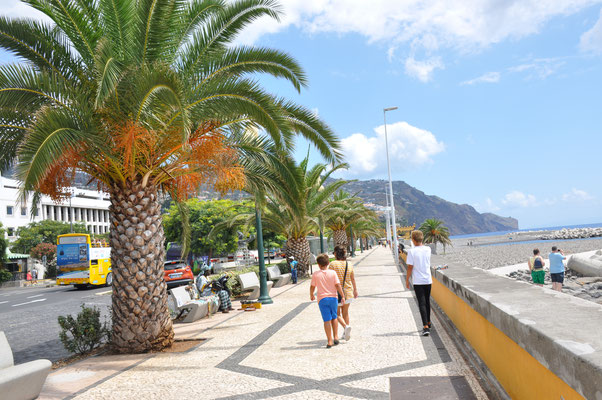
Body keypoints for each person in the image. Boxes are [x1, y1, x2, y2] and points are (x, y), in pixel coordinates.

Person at [310, 253, 345, 348]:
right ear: (328, 263)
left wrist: (311, 295)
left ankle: (329, 340)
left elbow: (312, 286)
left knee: (326, 320)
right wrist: (342, 296)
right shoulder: (333, 273)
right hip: (333, 298)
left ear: (318, 264)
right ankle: (336, 336)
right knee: (334, 317)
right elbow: (338, 285)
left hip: (322, 299)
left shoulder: (316, 274)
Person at [405, 230, 433, 336]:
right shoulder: (428, 249)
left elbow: (410, 267)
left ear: (413, 239)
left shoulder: (412, 252)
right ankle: (429, 322)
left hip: (418, 281)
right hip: (428, 279)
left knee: (421, 303)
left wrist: (407, 280)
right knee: (427, 301)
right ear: (422, 238)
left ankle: (425, 326)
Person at [329, 245, 358, 341]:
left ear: (336, 253)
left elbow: (330, 278)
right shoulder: (349, 264)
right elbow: (352, 278)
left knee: (336, 313)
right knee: (345, 313)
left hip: (336, 293)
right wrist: (355, 290)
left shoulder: (332, 264)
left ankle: (345, 327)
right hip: (348, 291)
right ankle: (346, 332)